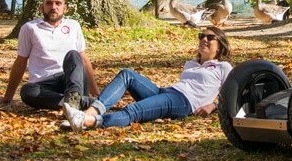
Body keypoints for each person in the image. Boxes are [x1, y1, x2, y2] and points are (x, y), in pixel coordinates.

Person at [62, 26, 233, 131]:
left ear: (220, 45)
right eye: (201, 36)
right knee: (127, 74)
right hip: (167, 92)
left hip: (183, 102)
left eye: (210, 37)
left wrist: (213, 105)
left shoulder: (223, 67)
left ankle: (86, 121)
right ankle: (90, 112)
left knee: (133, 110)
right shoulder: (191, 63)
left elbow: (233, 96)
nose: (204, 39)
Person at [0, 0, 100, 112]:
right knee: (27, 91)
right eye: (49, 3)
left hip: (71, 80)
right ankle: (75, 103)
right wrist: (8, 97)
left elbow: (83, 59)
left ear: (64, 8)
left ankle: (74, 98)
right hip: (44, 84)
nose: (53, 7)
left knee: (73, 55)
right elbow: (20, 62)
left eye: (58, 3)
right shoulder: (30, 28)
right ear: (42, 8)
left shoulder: (74, 26)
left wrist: (96, 92)